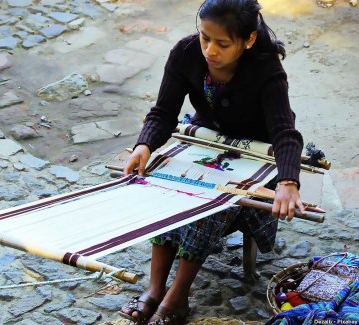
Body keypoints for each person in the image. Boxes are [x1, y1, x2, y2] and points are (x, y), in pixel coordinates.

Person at [119, 0, 306, 324]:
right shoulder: (185, 52)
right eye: (205, 37)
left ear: (247, 40)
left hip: (257, 157)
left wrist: (289, 182)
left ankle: (176, 298)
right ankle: (154, 289)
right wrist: (144, 145)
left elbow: (285, 133)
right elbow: (164, 112)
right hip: (205, 139)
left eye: (222, 43)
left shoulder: (267, 71)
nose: (209, 50)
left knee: (208, 207)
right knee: (167, 186)